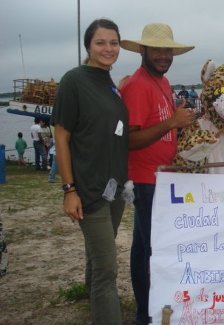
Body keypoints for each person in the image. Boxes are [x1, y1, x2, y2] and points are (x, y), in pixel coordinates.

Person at [51, 18, 128, 324]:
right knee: (107, 270)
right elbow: (61, 135)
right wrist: (69, 190)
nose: (108, 48)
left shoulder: (110, 83)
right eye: (101, 42)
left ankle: (89, 293)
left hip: (116, 188)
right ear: (88, 46)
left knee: (98, 256)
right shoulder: (74, 80)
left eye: (114, 42)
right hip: (89, 189)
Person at [119, 22, 195, 325]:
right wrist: (171, 123)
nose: (163, 55)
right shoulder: (137, 85)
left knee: (146, 247)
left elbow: (165, 127)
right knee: (151, 251)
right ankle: (146, 314)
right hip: (145, 179)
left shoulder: (162, 82)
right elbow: (129, 140)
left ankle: (148, 311)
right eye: (157, 49)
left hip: (162, 177)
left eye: (168, 50)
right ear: (143, 51)